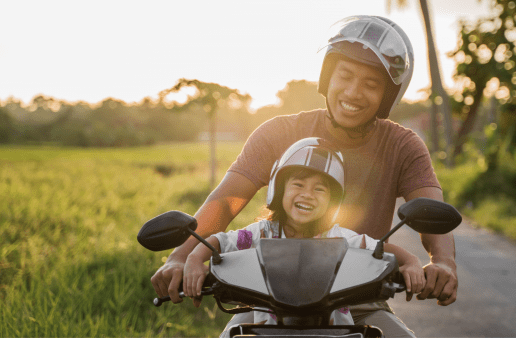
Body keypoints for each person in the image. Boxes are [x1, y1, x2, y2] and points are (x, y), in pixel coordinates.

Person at [151, 15, 457, 338]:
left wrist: (444, 262)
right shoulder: (279, 132)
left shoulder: (403, 145)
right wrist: (181, 257)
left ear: (387, 95)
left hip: (357, 300)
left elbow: (429, 210)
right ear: (327, 77)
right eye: (346, 75)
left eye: (371, 84)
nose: (353, 92)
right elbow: (226, 202)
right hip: (270, 301)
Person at [183, 138, 426, 330]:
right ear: (279, 190)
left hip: (336, 333)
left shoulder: (340, 238)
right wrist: (194, 261)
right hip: (267, 331)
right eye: (298, 184)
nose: (308, 194)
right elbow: (220, 242)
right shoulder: (262, 232)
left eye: (319, 189)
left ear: (333, 201)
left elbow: (379, 248)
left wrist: (412, 263)